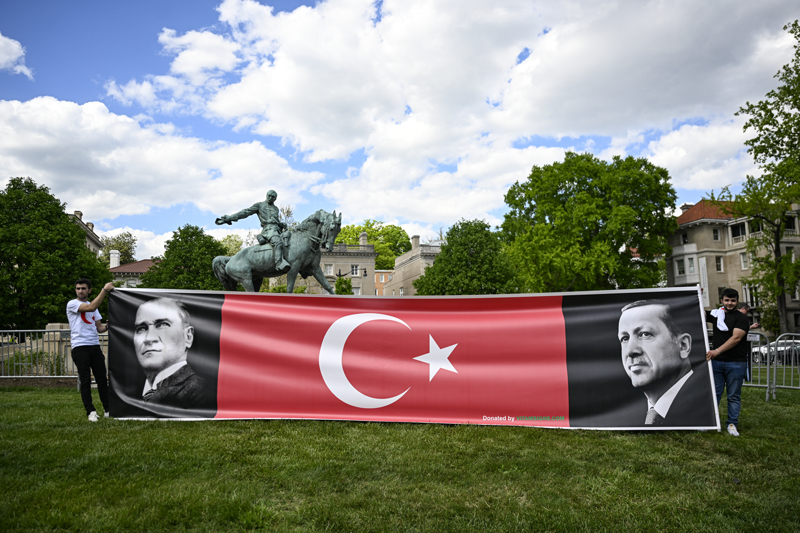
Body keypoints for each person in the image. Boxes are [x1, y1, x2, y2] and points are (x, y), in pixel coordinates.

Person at [618, 299, 710, 426]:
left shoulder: (704, 405)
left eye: (645, 334)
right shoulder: (629, 416)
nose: (630, 351)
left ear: (683, 345)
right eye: (624, 338)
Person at [133, 298, 213, 410]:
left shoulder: (204, 395)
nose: (148, 338)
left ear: (188, 337)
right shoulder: (126, 397)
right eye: (141, 328)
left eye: (162, 325)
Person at [66, 278, 115, 422]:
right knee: (85, 380)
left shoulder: (94, 307)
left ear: (89, 290)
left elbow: (99, 328)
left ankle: (108, 410)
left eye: (83, 288)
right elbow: (91, 308)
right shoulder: (72, 304)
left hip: (94, 346)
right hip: (80, 347)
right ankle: (91, 412)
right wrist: (104, 290)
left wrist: (108, 326)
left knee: (102, 380)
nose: (80, 291)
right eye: (78, 288)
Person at [706, 288, 750, 437]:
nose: (729, 303)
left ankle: (732, 424)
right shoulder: (715, 315)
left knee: (733, 396)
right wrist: (697, 294)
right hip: (717, 363)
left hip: (736, 362)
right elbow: (697, 311)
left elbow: (736, 338)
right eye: (727, 300)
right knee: (714, 394)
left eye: (733, 300)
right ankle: (710, 422)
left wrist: (716, 351)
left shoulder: (742, 318)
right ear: (721, 301)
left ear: (737, 302)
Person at [215, 189, 290, 271]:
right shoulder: (259, 205)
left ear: (275, 199)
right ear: (266, 195)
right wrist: (230, 218)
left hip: (277, 230)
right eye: (269, 196)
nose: (270, 198)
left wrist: (281, 224)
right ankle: (279, 263)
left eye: (273, 197)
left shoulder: (276, 209)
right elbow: (246, 212)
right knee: (278, 243)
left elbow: (275, 221)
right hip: (269, 230)